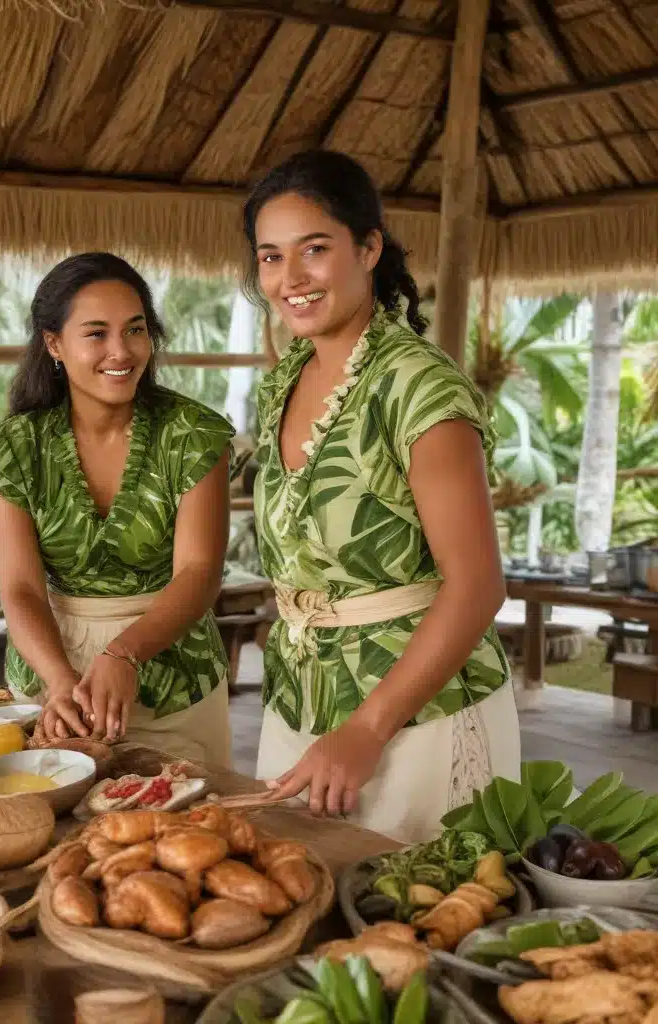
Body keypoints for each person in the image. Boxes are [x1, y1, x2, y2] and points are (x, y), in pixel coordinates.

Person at [244, 150, 519, 843]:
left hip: (416, 717)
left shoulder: (420, 388)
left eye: (314, 250)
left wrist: (367, 729)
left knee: (419, 925)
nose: (290, 279)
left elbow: (479, 586)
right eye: (271, 258)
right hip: (298, 707)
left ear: (369, 248)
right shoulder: (280, 384)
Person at [0, 252, 235, 766]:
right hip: (53, 673)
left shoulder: (193, 434)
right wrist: (59, 684)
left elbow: (200, 572)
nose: (121, 350)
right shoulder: (12, 449)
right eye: (96, 333)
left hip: (174, 672)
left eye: (135, 330)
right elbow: (21, 588)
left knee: (188, 828)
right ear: (54, 343)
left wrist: (124, 653)